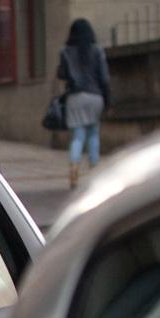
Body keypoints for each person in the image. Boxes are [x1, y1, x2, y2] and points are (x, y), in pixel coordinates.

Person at [57, 18, 110, 190]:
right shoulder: (97, 51)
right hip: (95, 96)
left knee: (78, 136)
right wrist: (109, 100)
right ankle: (94, 169)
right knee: (94, 134)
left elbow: (62, 74)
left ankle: (74, 167)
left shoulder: (66, 51)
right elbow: (104, 78)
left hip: (76, 96)